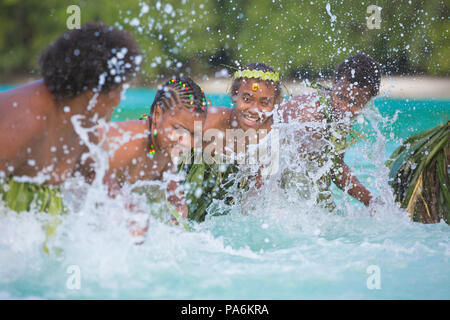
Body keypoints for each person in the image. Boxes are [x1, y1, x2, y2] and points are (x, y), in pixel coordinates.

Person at [0, 22, 141, 215]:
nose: (118, 100)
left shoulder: (81, 123)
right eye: (117, 90)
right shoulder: (25, 123)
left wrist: (126, 208)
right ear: (91, 89)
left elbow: (93, 172)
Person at [181, 62, 283, 221]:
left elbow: (257, 193)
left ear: (275, 103)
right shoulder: (209, 122)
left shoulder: (271, 135)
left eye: (264, 103)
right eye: (247, 99)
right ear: (235, 95)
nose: (254, 109)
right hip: (187, 184)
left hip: (223, 206)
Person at [280, 53, 382, 210]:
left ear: (367, 101)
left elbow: (336, 168)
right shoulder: (311, 114)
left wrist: (370, 200)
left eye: (354, 103)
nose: (344, 107)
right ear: (334, 83)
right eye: (341, 97)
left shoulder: (340, 115)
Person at [103, 76, 207, 227]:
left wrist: (178, 205)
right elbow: (91, 165)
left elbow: (169, 180)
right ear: (158, 114)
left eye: (194, 134)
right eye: (179, 129)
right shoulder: (130, 140)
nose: (187, 142)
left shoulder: (164, 148)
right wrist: (123, 201)